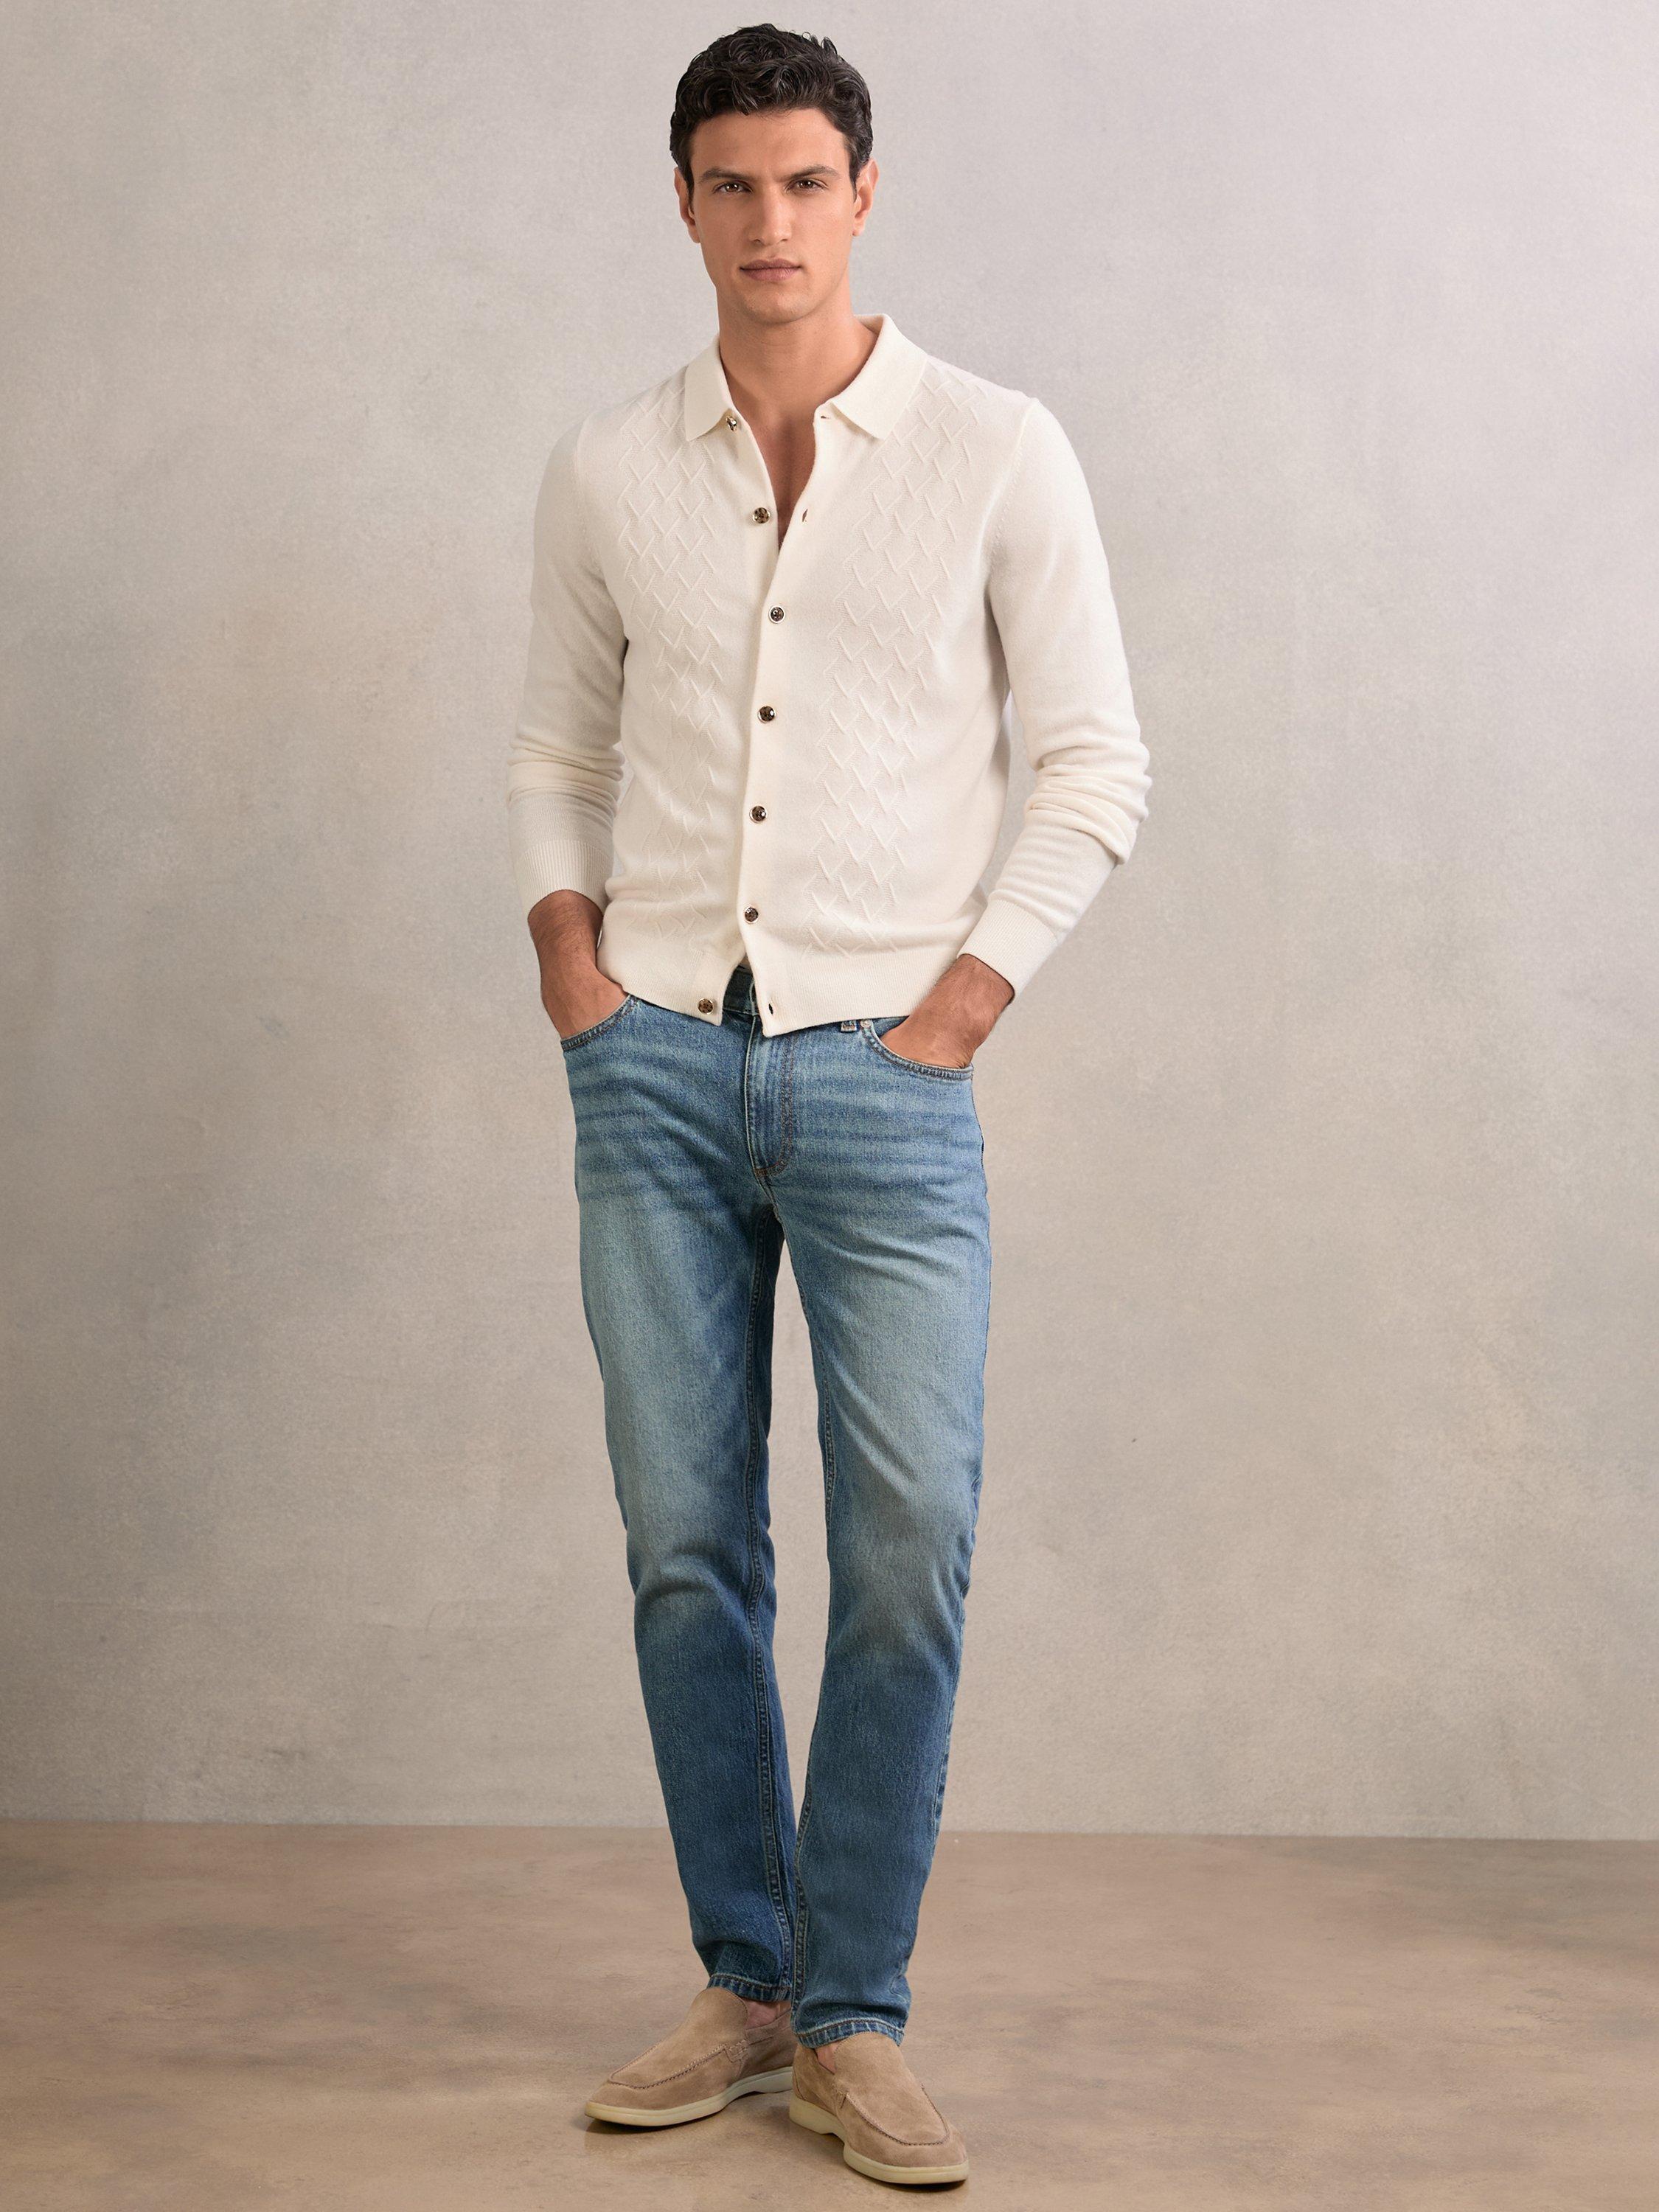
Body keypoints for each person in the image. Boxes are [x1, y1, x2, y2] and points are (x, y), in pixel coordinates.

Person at [506, 23, 1150, 2189]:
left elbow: (1094, 759)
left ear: (863, 194)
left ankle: (855, 2013)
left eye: (804, 183)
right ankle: (747, 1982)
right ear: (682, 203)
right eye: (731, 184)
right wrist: (572, 956)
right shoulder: (610, 465)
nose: (769, 222)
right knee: (686, 1547)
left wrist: (965, 1000)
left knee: (904, 1548)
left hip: (887, 1077)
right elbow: (554, 744)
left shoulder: (994, 449)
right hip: (655, 1068)